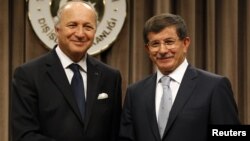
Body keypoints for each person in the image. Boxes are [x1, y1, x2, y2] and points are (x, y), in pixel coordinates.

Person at [119, 13, 240, 141]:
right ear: (147, 49)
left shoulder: (215, 86)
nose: (162, 50)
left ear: (186, 43)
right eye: (155, 44)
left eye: (169, 42)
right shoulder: (135, 93)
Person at [11, 1, 122, 141]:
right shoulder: (28, 75)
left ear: (95, 32)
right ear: (57, 29)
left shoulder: (110, 77)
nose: (80, 33)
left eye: (88, 27)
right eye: (72, 25)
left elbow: (115, 134)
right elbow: (24, 135)